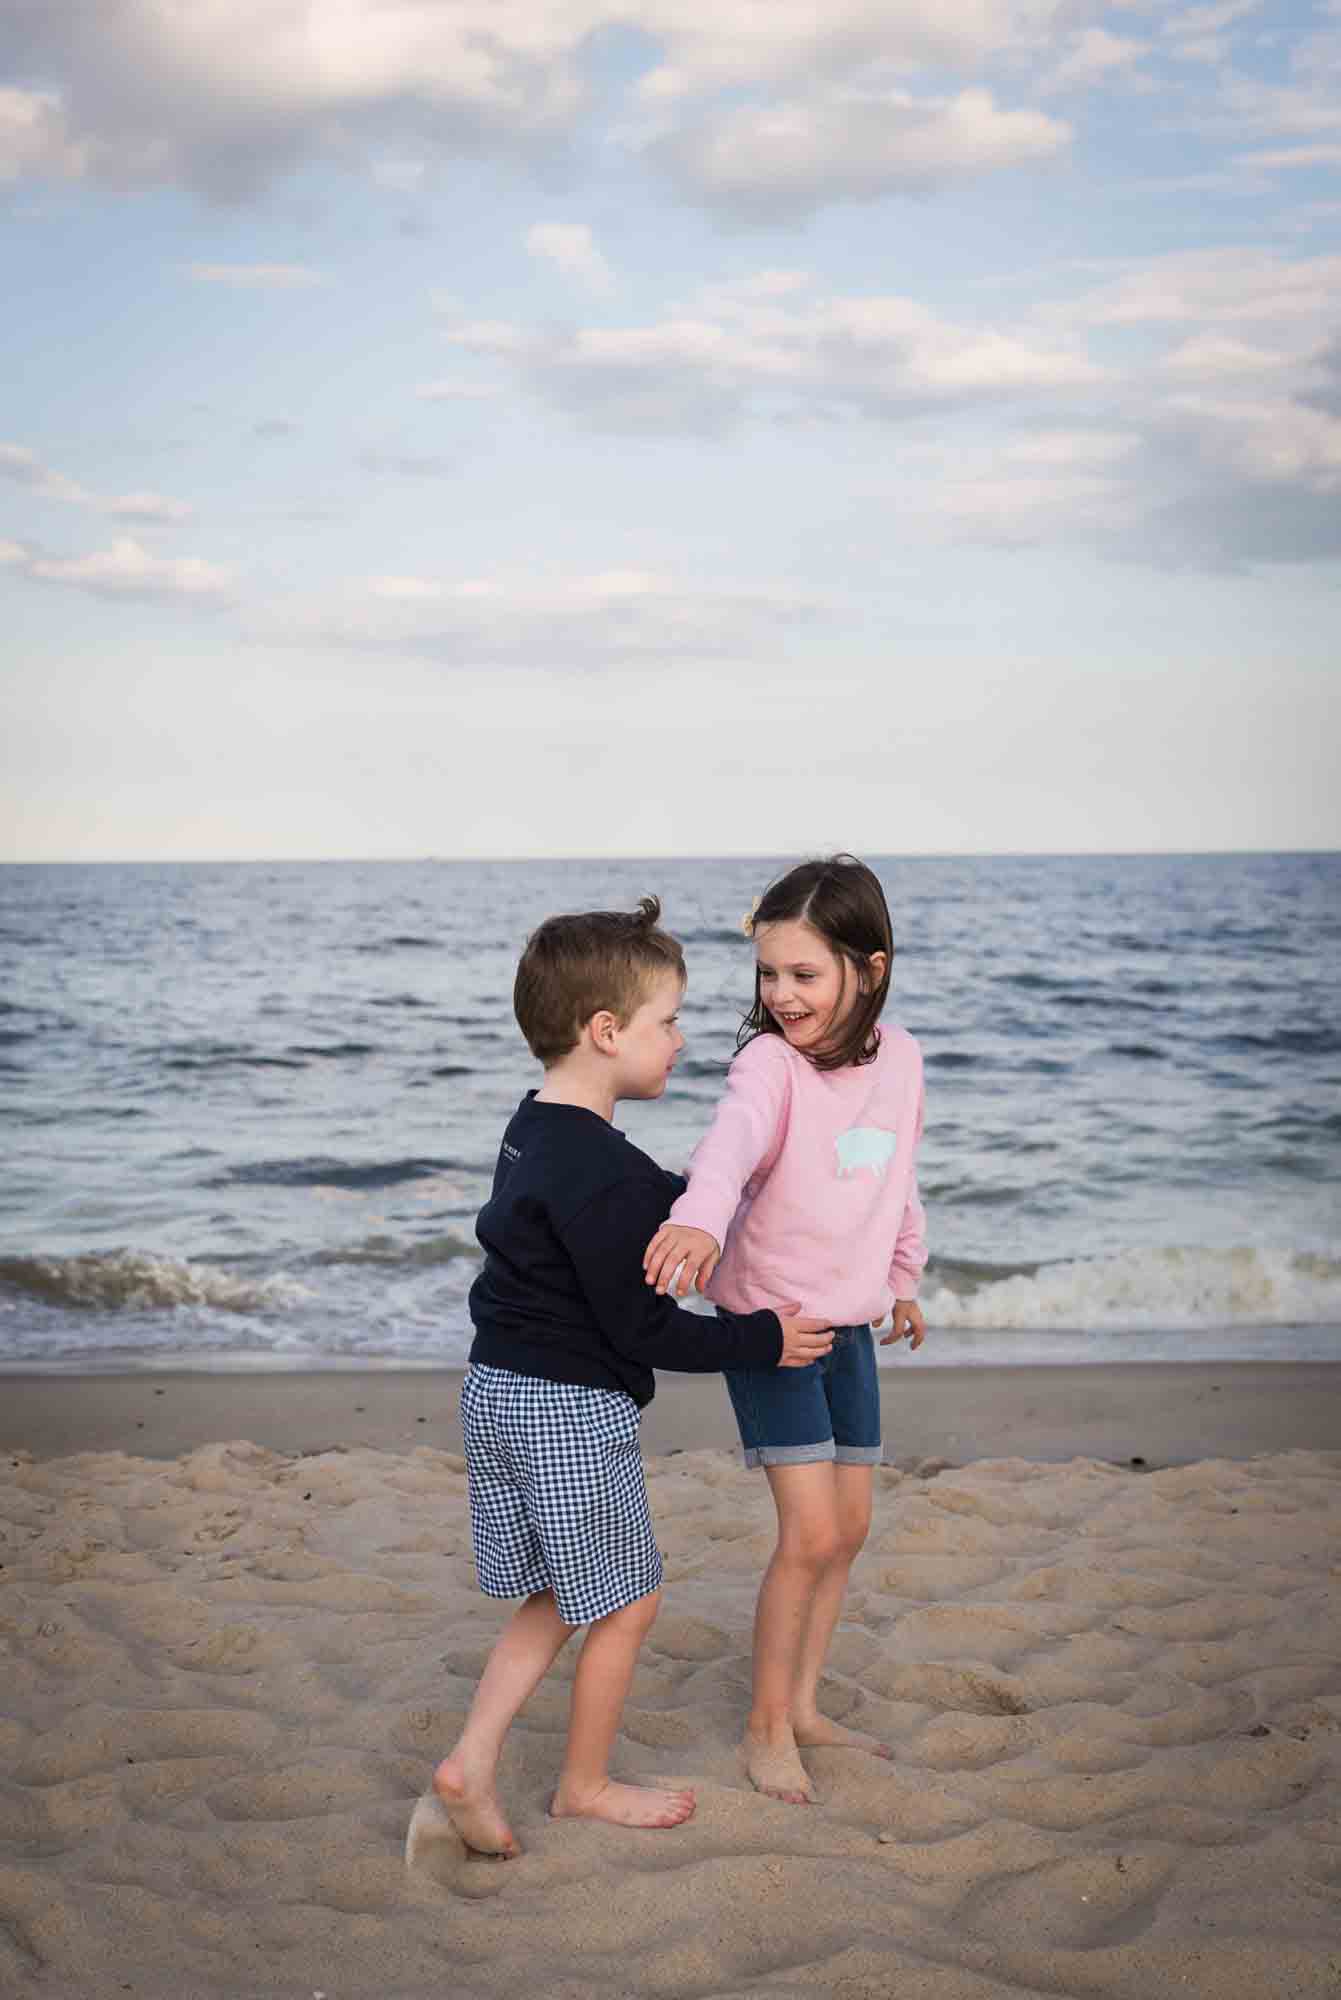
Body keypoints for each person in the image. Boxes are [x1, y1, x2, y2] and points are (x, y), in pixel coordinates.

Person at [426, 897, 835, 1859]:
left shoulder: (539, 1129)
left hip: (497, 1389)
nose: (680, 1041)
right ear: (606, 1032)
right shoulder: (600, 1175)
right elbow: (646, 1327)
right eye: (667, 1022)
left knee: (567, 1595)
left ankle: (470, 1762)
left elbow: (611, 1208)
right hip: (564, 1407)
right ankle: (583, 1784)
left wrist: (718, 1184)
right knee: (627, 1599)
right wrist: (762, 1340)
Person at [643, 856, 927, 1806]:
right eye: (769, 974)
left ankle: (803, 1706)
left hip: (849, 1320)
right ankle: (766, 1728)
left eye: (804, 974)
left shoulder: (904, 1062)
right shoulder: (767, 1065)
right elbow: (726, 1149)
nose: (781, 995)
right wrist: (698, 1218)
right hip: (770, 1325)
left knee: (849, 1529)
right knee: (806, 1534)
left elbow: (897, 1178)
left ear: (868, 968)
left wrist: (903, 1279)